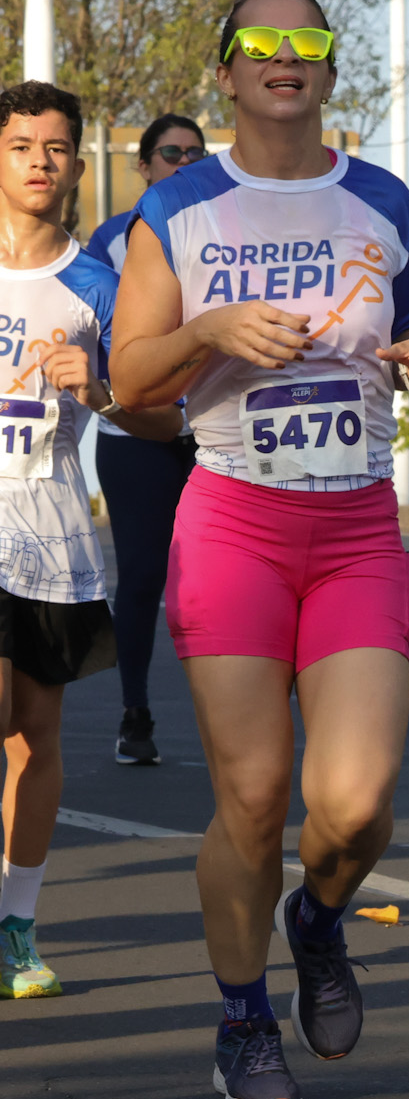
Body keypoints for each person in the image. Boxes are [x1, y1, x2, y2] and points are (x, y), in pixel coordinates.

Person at [110, 0, 409, 1099]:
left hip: (355, 523)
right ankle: (242, 1015)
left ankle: (316, 918)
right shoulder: (181, 205)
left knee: (352, 806)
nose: (283, 57)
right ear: (226, 74)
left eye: (304, 39)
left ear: (327, 69)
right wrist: (210, 330)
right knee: (254, 798)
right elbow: (127, 379)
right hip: (235, 520)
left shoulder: (383, 197)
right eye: (257, 43)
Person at [0, 83, 188, 1000]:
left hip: (52, 530)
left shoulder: (99, 287)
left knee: (34, 738)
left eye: (57, 148)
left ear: (78, 164)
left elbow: (166, 423)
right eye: (21, 145)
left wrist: (102, 391)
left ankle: (16, 930)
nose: (40, 161)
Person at [84, 111, 207, 767]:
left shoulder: (229, 231)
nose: (183, 163)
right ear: (144, 166)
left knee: (221, 584)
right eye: (169, 153)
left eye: (195, 152)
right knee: (142, 577)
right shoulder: (110, 242)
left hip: (216, 433)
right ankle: (135, 712)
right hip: (135, 432)